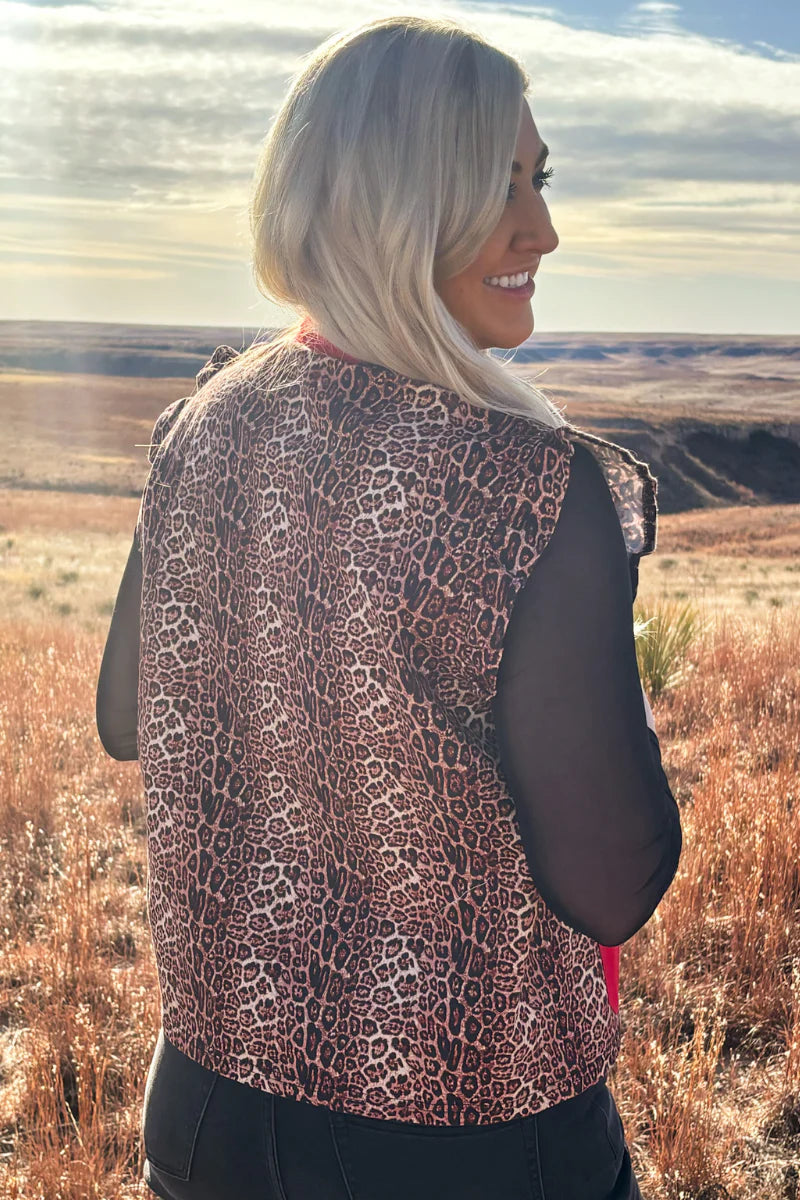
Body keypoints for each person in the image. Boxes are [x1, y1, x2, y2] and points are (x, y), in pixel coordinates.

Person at [96, 15, 682, 1200]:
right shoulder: (527, 483)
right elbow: (611, 878)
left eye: (538, 179)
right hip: (465, 1133)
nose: (541, 228)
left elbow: (125, 714)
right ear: (393, 203)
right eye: (495, 184)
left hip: (208, 1107)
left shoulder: (204, 419)